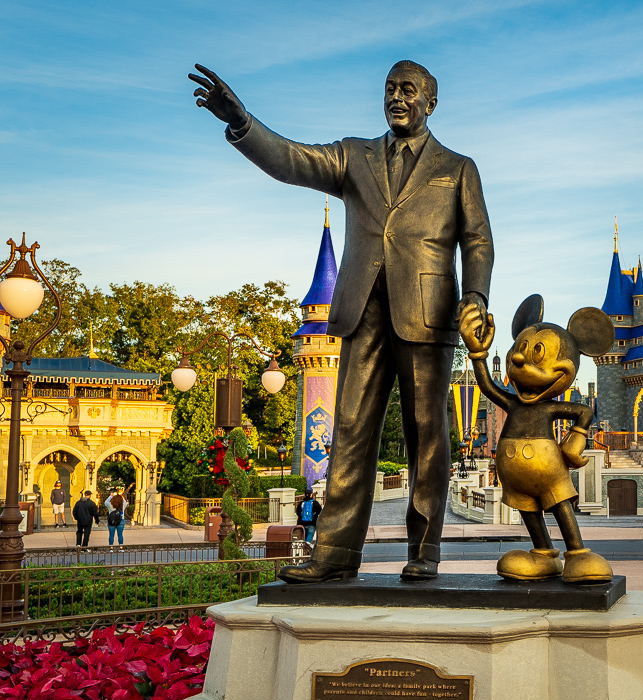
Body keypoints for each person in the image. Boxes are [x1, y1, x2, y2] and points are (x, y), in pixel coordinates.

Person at [190, 59, 493, 584]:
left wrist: (476, 297)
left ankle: (425, 548)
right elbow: (292, 160)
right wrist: (243, 122)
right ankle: (333, 552)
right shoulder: (356, 156)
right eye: (390, 89)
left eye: (408, 90)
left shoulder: (457, 167)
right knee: (350, 428)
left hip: (427, 314)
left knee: (428, 433)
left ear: (431, 102)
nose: (397, 98)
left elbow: (479, 241)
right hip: (361, 310)